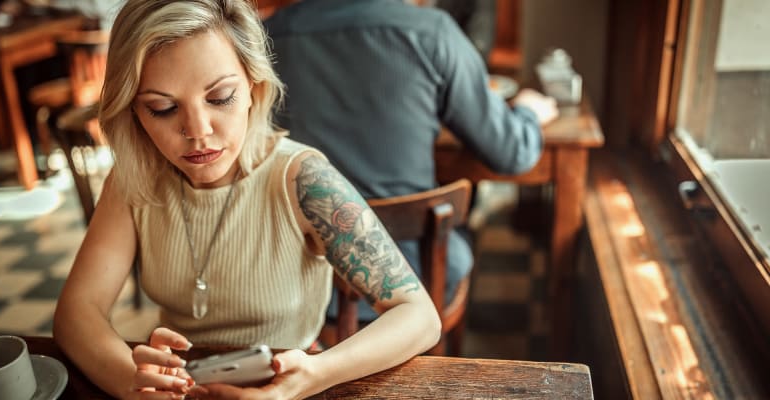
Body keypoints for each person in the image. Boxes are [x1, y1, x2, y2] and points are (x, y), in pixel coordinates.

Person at [52, 1, 441, 399]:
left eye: (220, 97)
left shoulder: (302, 179)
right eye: (162, 108)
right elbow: (76, 314)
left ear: (255, 87)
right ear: (134, 110)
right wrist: (134, 386)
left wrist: (314, 375)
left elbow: (420, 317)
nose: (198, 131)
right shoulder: (134, 179)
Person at [264, 0, 558, 323]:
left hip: (293, 281)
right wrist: (529, 112)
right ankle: (441, 365)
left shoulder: (268, 37)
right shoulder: (430, 33)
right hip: (413, 282)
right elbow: (511, 152)